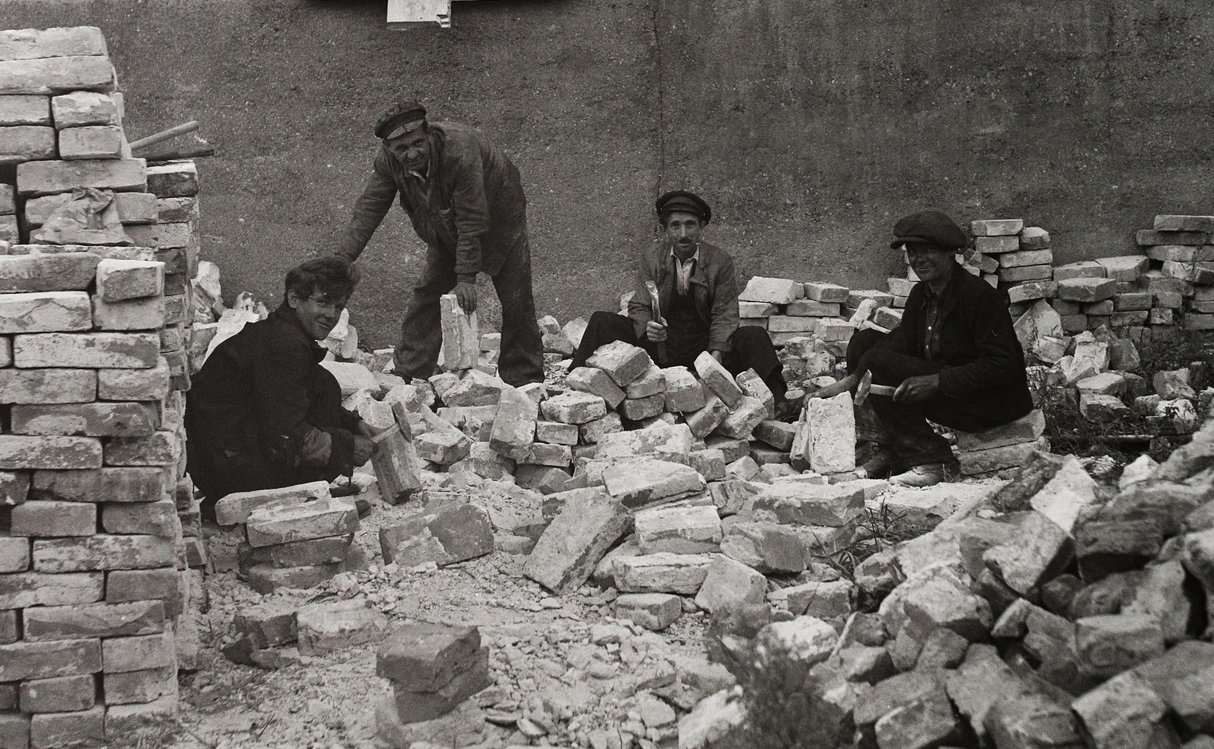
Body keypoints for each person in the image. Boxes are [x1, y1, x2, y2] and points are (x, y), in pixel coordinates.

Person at [337, 101, 544, 386]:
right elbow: (369, 208)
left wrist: (466, 278)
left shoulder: (459, 149)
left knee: (516, 298)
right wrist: (342, 258)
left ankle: (525, 380)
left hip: (500, 218)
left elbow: (472, 217)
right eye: (401, 149)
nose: (411, 154)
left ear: (428, 132)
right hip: (443, 222)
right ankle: (410, 372)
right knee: (428, 293)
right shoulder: (388, 162)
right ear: (388, 149)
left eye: (417, 143)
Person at [833, 211, 1034, 486]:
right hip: (954, 388)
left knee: (878, 363)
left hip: (990, 402)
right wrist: (854, 377)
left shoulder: (978, 296)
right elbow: (902, 341)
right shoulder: (922, 294)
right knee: (864, 344)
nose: (919, 259)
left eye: (929, 251)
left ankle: (932, 459)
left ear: (951, 253)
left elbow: (1002, 364)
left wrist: (938, 381)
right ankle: (890, 448)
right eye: (913, 252)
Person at [184, 256, 376, 514]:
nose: (331, 315)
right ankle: (283, 501)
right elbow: (290, 435)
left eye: (338, 307)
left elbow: (292, 399)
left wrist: (354, 425)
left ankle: (303, 493)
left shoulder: (283, 334)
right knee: (319, 426)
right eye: (322, 302)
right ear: (294, 299)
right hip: (227, 469)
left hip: (225, 455)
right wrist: (349, 447)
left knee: (324, 384)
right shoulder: (283, 346)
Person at [570, 190, 788, 413]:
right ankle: (574, 388)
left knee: (754, 337)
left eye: (690, 225)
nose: (683, 234)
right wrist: (648, 328)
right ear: (666, 229)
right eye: (675, 226)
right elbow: (639, 305)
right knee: (601, 321)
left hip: (702, 346)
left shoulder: (719, 261)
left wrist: (716, 355)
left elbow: (725, 314)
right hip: (660, 345)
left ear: (701, 226)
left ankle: (779, 403)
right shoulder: (652, 258)